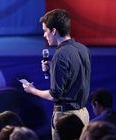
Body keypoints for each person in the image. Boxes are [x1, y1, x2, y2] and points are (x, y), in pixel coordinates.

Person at [22, 9, 91, 140]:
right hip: (83, 115)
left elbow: (55, 95)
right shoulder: (83, 49)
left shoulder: (60, 55)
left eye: (45, 31)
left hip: (65, 119)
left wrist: (33, 90)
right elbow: (74, 77)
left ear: (54, 31)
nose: (44, 35)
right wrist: (52, 69)